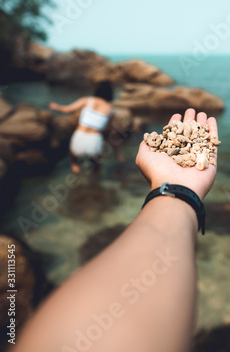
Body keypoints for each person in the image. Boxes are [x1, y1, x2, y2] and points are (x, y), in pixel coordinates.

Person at [14, 108, 218, 352]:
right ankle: (92, 179)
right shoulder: (108, 108)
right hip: (96, 143)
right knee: (96, 166)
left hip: (79, 140)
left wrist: (57, 108)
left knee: (77, 166)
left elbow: (70, 110)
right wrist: (184, 191)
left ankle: (81, 179)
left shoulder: (87, 102)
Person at [49, 80, 124, 175]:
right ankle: (92, 187)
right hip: (94, 140)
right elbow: (113, 133)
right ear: (110, 93)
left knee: (75, 164)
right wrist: (118, 153)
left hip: (79, 137)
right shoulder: (110, 109)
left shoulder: (87, 100)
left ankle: (77, 182)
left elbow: (66, 109)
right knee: (95, 169)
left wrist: (55, 106)